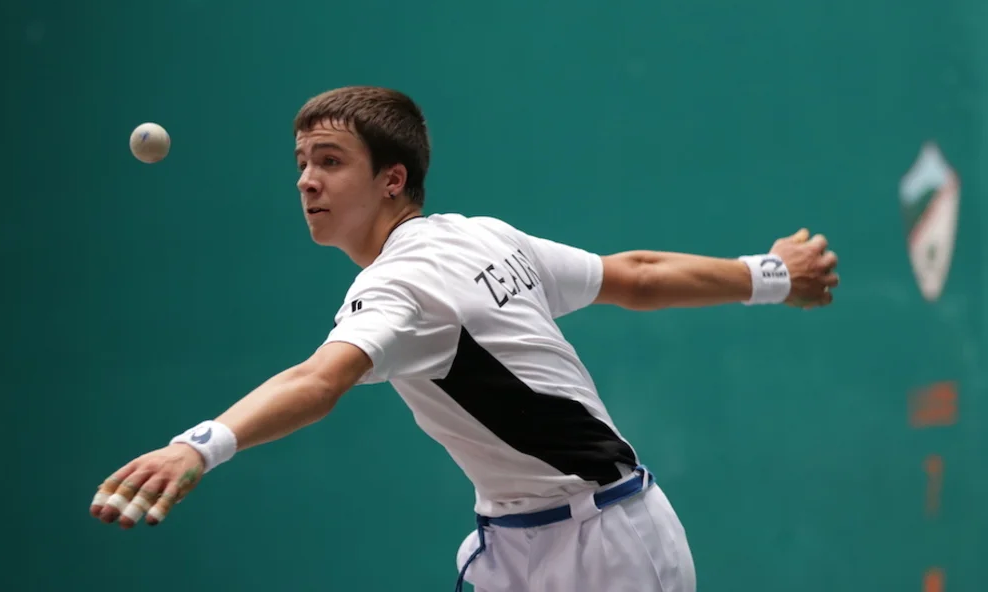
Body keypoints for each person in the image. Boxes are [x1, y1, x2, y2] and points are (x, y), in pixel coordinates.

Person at [89, 86, 839, 591]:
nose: (306, 181)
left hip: (606, 550)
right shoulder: (483, 235)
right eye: (301, 164)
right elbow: (635, 276)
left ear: (392, 179)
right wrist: (771, 274)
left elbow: (319, 381)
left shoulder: (402, 284)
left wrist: (198, 446)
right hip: (516, 543)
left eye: (330, 162)